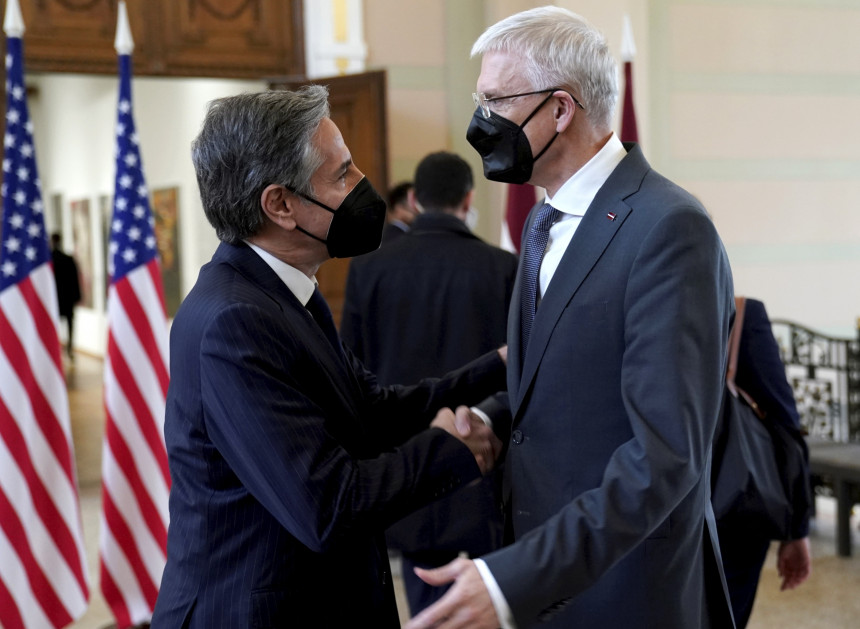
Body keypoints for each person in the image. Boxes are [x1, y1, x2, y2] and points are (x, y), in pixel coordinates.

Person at [406, 7, 736, 629]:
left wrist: (511, 581)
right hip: (549, 577)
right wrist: (490, 418)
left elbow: (666, 454)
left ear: (560, 109)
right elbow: (563, 377)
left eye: (496, 100)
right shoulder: (542, 218)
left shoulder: (668, 228)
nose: (481, 122)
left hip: (626, 589)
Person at [150, 87, 506, 628]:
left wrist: (500, 365)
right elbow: (329, 505)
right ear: (280, 204)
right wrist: (452, 449)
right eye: (342, 174)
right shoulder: (234, 320)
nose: (363, 182)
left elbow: (371, 410)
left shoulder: (286, 290)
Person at [340, 151, 517, 615]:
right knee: (487, 605)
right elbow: (518, 372)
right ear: (468, 200)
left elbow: (350, 372)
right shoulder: (503, 268)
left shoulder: (369, 269)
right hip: (482, 463)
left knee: (423, 606)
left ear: (415, 199)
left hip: (407, 467)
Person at [716, 297, 812, 627]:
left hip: (649, 514)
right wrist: (796, 531)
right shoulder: (739, 314)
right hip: (734, 513)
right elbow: (783, 424)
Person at [50, 232, 81, 360]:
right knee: (69, 324)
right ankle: (69, 349)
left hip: (56, 299)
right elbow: (75, 280)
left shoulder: (50, 261)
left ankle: (57, 349)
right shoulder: (67, 259)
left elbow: (74, 279)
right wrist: (77, 297)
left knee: (55, 325)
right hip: (67, 299)